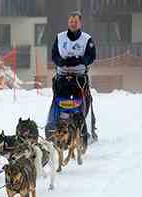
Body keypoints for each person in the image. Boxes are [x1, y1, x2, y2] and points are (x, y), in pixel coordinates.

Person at [47, 11, 98, 143]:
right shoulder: (60, 37)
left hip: (79, 76)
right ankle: (52, 127)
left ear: (80, 23)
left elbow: (91, 56)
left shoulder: (87, 39)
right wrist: (61, 61)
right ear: (68, 22)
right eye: (71, 21)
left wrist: (79, 60)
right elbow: (54, 54)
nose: (73, 24)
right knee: (57, 100)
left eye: (75, 21)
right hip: (62, 76)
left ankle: (86, 128)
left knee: (85, 100)